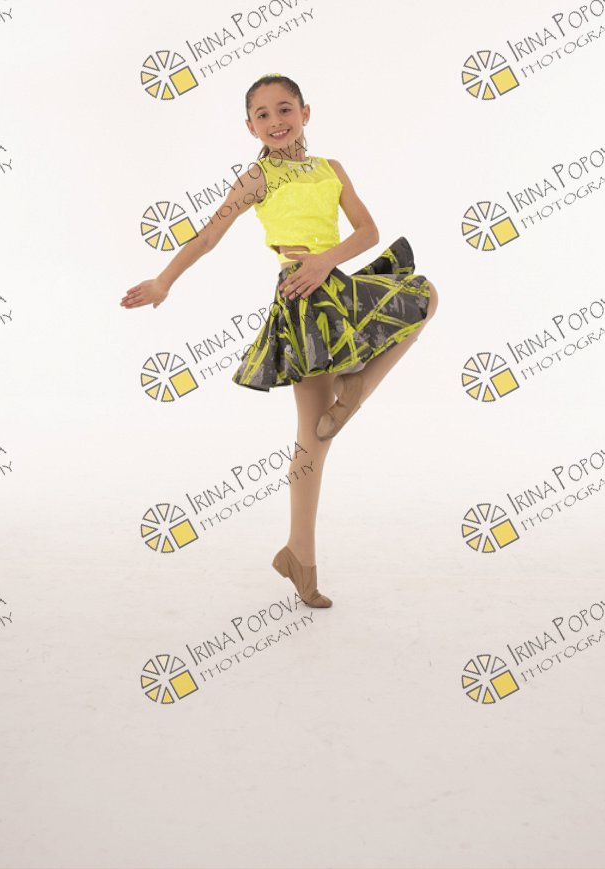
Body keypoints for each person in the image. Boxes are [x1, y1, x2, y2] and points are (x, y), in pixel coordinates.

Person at [120, 73, 439, 608]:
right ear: (250, 127)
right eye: (262, 115)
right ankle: (300, 556)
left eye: (284, 109)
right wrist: (164, 280)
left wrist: (325, 260)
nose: (275, 121)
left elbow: (368, 232)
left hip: (335, 285)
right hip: (302, 302)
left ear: (305, 113)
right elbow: (208, 235)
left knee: (423, 294)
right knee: (314, 438)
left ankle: (356, 388)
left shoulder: (331, 169)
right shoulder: (256, 178)